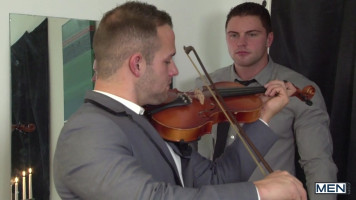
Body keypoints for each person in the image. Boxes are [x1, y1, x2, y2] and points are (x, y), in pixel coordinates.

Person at [53, 1, 306, 199]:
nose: (174, 71)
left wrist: (264, 116)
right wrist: (259, 192)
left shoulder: (153, 120)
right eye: (167, 60)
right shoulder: (86, 131)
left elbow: (216, 179)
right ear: (137, 64)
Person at [195, 2, 338, 200]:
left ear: (269, 39)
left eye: (252, 34)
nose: (241, 43)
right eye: (233, 35)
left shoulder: (298, 90)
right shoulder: (205, 86)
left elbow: (319, 164)